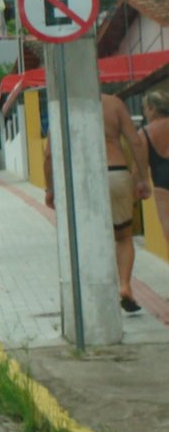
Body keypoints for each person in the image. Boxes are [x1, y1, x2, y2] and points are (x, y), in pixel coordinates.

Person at [43, 93, 152, 313]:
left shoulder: (64, 105)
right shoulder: (114, 104)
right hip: (117, 173)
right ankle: (124, 285)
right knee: (123, 236)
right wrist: (142, 177)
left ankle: (95, 291)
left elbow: (49, 154)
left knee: (88, 237)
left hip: (83, 176)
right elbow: (136, 141)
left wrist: (50, 188)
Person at [139, 89, 169, 260]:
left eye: (145, 108)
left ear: (152, 108)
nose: (145, 113)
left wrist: (139, 185)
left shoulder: (145, 133)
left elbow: (140, 165)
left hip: (162, 182)